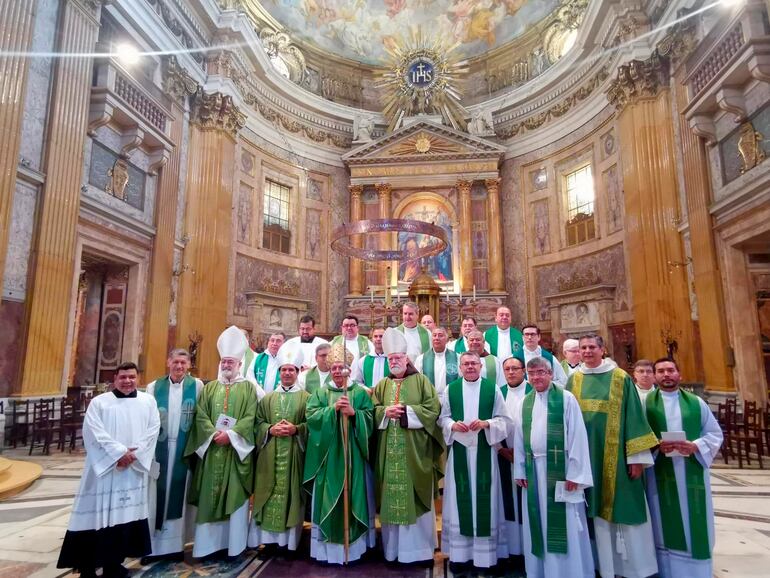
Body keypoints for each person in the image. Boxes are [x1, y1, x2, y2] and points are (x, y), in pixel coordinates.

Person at [566, 333, 659, 578]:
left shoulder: (620, 378)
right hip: (584, 458)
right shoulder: (574, 379)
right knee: (589, 512)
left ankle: (633, 568)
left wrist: (636, 458)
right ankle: (599, 565)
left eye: (591, 347)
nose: (586, 351)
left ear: (602, 349)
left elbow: (634, 417)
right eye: (582, 347)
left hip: (615, 458)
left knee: (623, 507)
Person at [58, 362, 160, 578]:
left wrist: (134, 454)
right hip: (104, 471)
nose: (127, 381)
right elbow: (94, 432)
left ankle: (114, 564)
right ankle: (87, 567)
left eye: (132, 377)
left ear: (138, 378)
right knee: (94, 517)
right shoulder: (100, 403)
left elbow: (153, 431)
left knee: (124, 517)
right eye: (123, 377)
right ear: (115, 378)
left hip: (131, 470)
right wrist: (118, 454)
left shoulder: (148, 402)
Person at [514, 357, 594, 577]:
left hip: (561, 472)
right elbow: (520, 440)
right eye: (532, 374)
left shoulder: (566, 399)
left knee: (564, 524)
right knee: (537, 523)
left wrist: (575, 474)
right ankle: (540, 572)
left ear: (550, 373)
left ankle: (569, 572)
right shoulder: (525, 402)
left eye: (541, 372)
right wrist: (520, 470)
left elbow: (578, 436)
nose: (537, 377)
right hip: (534, 471)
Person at [184, 326, 259, 559]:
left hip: (235, 454)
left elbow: (251, 416)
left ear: (239, 364)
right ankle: (206, 546)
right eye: (224, 362)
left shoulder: (248, 388)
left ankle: (234, 546)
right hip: (213, 450)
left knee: (234, 495)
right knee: (209, 496)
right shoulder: (210, 388)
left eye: (231, 362)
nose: (227, 365)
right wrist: (212, 434)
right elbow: (200, 415)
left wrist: (232, 436)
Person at [644, 358, 722, 578]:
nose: (666, 374)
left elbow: (715, 434)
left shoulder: (697, 403)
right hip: (660, 472)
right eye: (661, 371)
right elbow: (638, 436)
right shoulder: (645, 404)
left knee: (694, 523)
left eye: (670, 370)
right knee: (661, 525)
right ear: (655, 376)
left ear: (679, 374)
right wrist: (657, 445)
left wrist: (695, 445)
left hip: (691, 470)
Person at [372, 328, 445, 564]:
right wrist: (384, 412)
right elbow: (371, 412)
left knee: (416, 496)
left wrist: (406, 413)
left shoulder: (421, 381)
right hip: (388, 451)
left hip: (416, 451)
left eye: (398, 358)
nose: (394, 361)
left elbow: (433, 410)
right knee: (390, 499)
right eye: (391, 358)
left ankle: (419, 552)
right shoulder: (382, 385)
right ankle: (392, 551)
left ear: (407, 359)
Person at [438, 351, 513, 568]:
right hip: (460, 452)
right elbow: (443, 418)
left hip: (484, 454)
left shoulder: (493, 389)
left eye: (474, 363)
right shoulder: (451, 389)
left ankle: (486, 558)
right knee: (457, 502)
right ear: (460, 367)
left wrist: (486, 423)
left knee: (485, 501)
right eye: (466, 364)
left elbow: (505, 420)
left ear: (481, 366)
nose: (470, 367)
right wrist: (453, 425)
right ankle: (459, 556)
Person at [304, 342, 375, 564]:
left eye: (341, 368)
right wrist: (331, 411)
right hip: (327, 457)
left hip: (352, 456)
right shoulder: (320, 393)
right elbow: (311, 417)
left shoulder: (360, 394)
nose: (337, 372)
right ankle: (327, 551)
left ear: (349, 370)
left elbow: (370, 419)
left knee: (353, 496)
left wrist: (355, 414)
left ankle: (353, 550)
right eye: (333, 368)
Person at [248, 345, 310, 554]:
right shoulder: (267, 398)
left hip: (294, 455)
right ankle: (268, 542)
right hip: (269, 456)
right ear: (279, 372)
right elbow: (257, 424)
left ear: (298, 372)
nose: (287, 373)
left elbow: (312, 426)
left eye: (291, 370)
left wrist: (296, 429)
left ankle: (289, 543)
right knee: (268, 493)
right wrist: (270, 429)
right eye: (283, 370)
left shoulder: (307, 398)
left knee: (291, 495)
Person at [145, 349, 204, 559]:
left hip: (183, 450)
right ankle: (151, 546)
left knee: (180, 495)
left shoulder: (196, 386)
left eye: (183, 363)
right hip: (159, 449)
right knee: (155, 496)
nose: (179, 367)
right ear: (168, 362)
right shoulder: (154, 387)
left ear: (189, 365)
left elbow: (201, 417)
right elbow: (148, 419)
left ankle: (176, 546)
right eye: (176, 362)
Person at [496, 356, 530, 558]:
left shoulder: (534, 392)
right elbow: (492, 421)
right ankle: (511, 550)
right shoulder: (498, 393)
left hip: (529, 458)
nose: (511, 372)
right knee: (507, 503)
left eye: (515, 368)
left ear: (523, 370)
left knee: (526, 504)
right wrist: (501, 449)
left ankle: (528, 549)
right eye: (507, 369)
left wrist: (523, 452)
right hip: (504, 456)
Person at [415, 326, 459, 398]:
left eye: (440, 335)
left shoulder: (457, 357)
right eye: (434, 335)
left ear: (447, 339)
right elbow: (417, 382)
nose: (437, 338)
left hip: (451, 397)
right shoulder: (421, 359)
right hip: (429, 399)